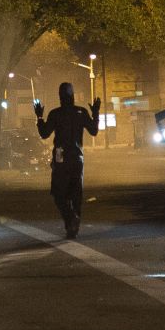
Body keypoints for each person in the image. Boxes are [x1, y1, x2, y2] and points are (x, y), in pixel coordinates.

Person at [34, 82, 100, 239]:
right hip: (77, 157)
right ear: (73, 96)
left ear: (60, 96)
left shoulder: (55, 114)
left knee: (58, 193)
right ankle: (73, 224)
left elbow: (44, 133)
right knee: (76, 193)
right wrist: (95, 113)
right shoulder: (81, 112)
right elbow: (94, 131)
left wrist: (39, 117)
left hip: (61, 156)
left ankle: (70, 219)